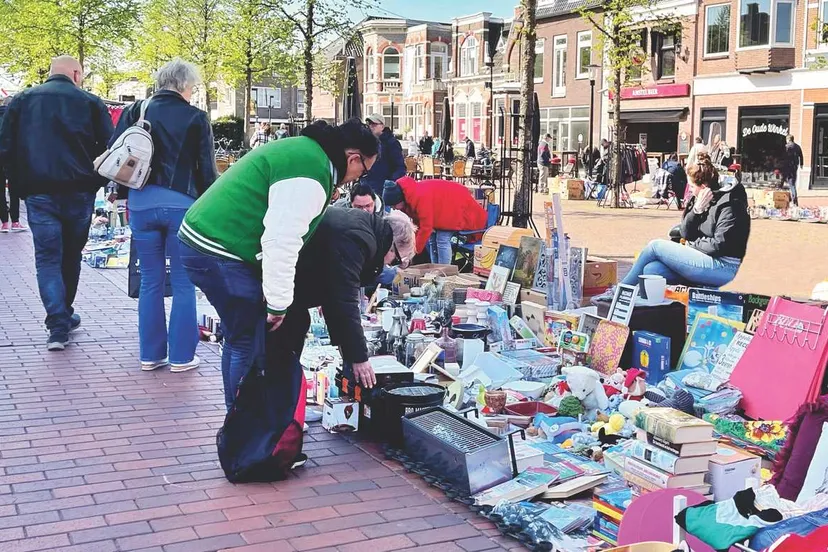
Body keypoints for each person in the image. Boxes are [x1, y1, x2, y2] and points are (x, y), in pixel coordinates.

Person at [179, 118, 379, 410]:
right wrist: (278, 303)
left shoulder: (308, 153)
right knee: (246, 341)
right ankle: (245, 430)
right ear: (352, 157)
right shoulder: (312, 171)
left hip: (206, 239)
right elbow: (282, 240)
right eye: (364, 170)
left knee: (239, 339)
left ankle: (244, 426)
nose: (358, 179)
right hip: (220, 248)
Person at [110, 58, 217, 373]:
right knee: (184, 283)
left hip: (141, 203)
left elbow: (116, 151)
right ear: (185, 85)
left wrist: (121, 194)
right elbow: (207, 170)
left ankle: (150, 354)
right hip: (181, 206)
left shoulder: (136, 111)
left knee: (151, 281)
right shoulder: (196, 117)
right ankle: (182, 357)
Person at [0, 55, 113, 351]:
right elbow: (110, 150)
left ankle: (58, 322)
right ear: (76, 74)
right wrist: (95, 183)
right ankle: (63, 315)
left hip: (39, 192)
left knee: (47, 258)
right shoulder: (90, 103)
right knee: (71, 255)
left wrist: (21, 186)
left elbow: (5, 148)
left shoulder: (21, 102)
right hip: (79, 191)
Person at [594, 153, 750, 301]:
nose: (690, 191)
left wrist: (693, 246)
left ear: (703, 186)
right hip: (702, 258)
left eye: (691, 186)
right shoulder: (698, 201)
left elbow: (720, 244)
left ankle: (620, 291)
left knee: (655, 246)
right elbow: (685, 233)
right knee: (651, 270)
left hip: (722, 266)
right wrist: (697, 211)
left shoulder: (730, 205)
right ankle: (643, 307)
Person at [383, 176, 487, 265]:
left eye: (394, 205)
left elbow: (426, 227)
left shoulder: (420, 197)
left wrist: (413, 251)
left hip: (454, 205)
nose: (393, 208)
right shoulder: (408, 198)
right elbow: (418, 225)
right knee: (432, 239)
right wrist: (412, 246)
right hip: (443, 207)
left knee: (442, 238)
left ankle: (444, 272)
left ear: (399, 199)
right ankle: (435, 268)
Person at [362, 114, 405, 196]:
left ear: (382, 126)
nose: (371, 127)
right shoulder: (366, 142)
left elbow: (400, 167)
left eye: (374, 124)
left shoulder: (391, 143)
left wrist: (389, 184)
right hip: (365, 187)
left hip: (382, 189)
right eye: (369, 124)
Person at [0, 96, 25, 233]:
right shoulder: (15, 119)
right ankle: (15, 222)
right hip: (12, 158)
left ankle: (4, 223)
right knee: (14, 190)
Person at [783, 134, 803, 206]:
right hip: (795, 166)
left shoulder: (787, 147)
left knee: (791, 183)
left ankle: (793, 200)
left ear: (788, 139)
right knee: (792, 182)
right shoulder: (797, 146)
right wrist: (801, 164)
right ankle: (792, 199)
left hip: (788, 166)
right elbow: (801, 155)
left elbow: (784, 157)